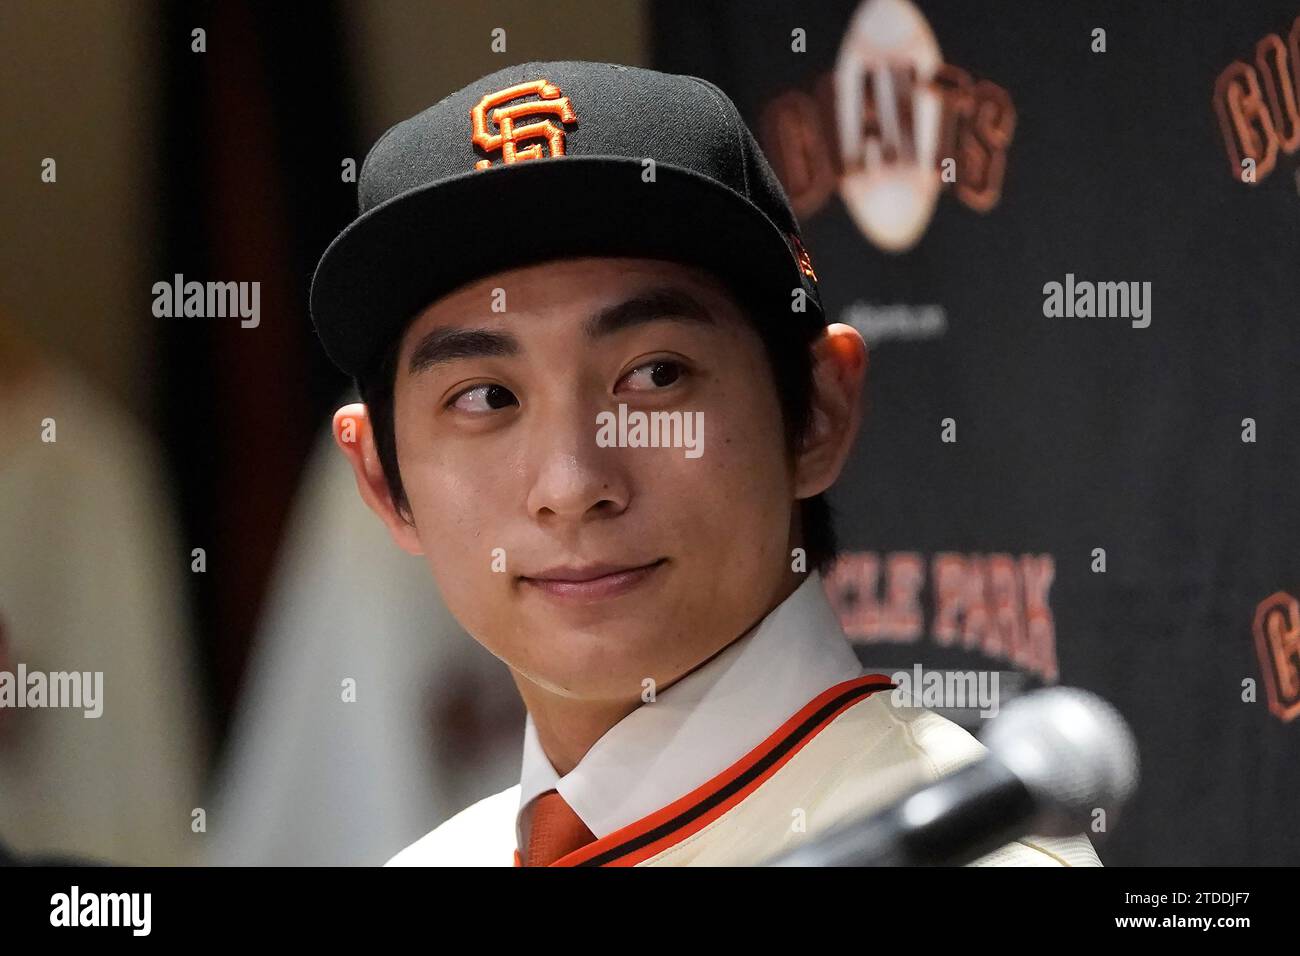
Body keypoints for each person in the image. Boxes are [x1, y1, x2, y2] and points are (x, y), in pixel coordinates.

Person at [309, 60, 1101, 866]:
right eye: (485, 397)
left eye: (655, 375)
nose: (573, 485)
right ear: (382, 478)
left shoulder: (973, 851)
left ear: (818, 413)